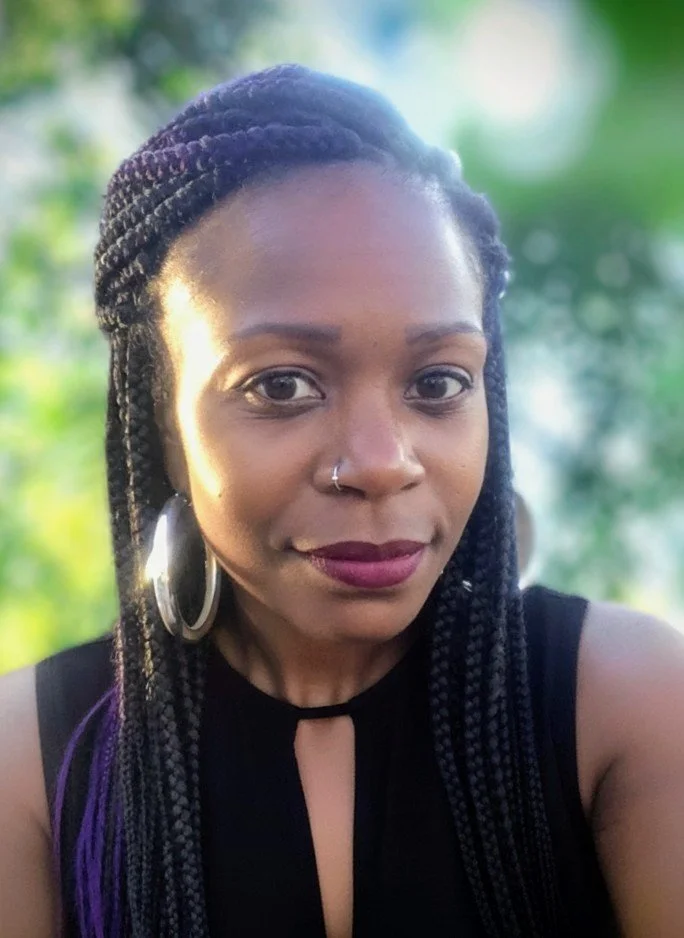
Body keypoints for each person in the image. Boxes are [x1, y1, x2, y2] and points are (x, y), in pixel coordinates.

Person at [1, 63, 683, 938]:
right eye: (281, 385)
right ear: (163, 426)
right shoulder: (35, 764)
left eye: (439, 380)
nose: (378, 463)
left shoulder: (627, 703)